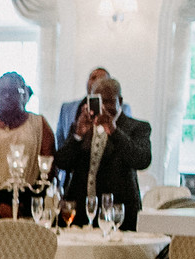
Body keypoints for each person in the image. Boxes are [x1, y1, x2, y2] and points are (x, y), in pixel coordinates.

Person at [52, 78, 151, 227]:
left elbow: (142, 160)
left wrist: (113, 131)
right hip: (79, 215)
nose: (103, 107)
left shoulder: (137, 128)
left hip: (117, 215)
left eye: (108, 101)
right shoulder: (80, 126)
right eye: (98, 101)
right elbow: (62, 162)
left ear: (120, 101)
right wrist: (78, 135)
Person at [0, 73, 55, 217]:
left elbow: (49, 166)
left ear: (23, 94)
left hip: (29, 200)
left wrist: (32, 200)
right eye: (2, 92)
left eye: (13, 92)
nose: (7, 96)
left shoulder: (39, 125)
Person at [55, 67, 131, 144]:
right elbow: (61, 146)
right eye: (93, 78)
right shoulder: (70, 110)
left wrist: (113, 130)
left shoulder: (127, 114)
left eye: (102, 79)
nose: (97, 82)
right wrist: (78, 136)